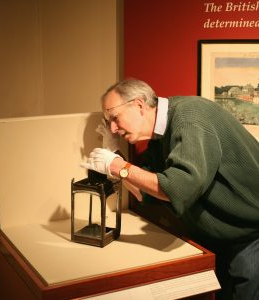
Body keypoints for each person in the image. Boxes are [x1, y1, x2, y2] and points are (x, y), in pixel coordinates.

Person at [80, 78, 259, 300]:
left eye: (115, 118)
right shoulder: (159, 138)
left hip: (251, 236)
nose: (114, 129)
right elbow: (143, 189)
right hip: (220, 240)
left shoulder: (190, 116)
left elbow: (177, 188)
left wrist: (117, 166)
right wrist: (114, 153)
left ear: (139, 105)